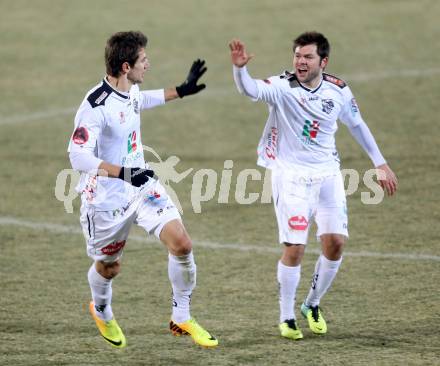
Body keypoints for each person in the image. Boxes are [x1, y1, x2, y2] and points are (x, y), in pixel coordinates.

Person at [229, 32, 397, 340]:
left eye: (307, 57)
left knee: (335, 243)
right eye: (297, 56)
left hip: (328, 174)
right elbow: (250, 90)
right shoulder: (282, 87)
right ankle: (286, 316)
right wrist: (240, 69)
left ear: (323, 61)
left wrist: (380, 163)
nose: (300, 62)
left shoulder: (339, 91)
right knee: (295, 246)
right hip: (290, 175)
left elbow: (356, 124)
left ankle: (311, 304)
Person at [68, 31, 217, 348]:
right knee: (109, 268)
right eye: (143, 60)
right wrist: (122, 172)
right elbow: (77, 155)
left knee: (182, 244)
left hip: (141, 183)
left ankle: (182, 317)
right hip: (105, 197)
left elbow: (140, 100)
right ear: (125, 66)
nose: (148, 63)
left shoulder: (129, 89)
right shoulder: (95, 106)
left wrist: (181, 90)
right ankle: (103, 310)